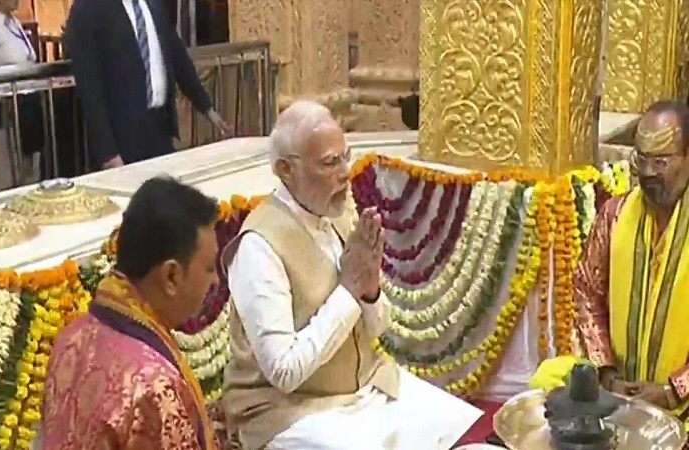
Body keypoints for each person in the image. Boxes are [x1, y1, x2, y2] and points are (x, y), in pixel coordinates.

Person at [220, 100, 483, 450]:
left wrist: (370, 291)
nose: (346, 172)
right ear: (286, 169)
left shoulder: (338, 214)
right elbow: (284, 372)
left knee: (459, 428)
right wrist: (349, 291)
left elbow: (377, 329)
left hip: (364, 387)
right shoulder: (259, 245)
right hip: (287, 410)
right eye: (330, 162)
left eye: (346, 156)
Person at [43, 176, 220, 449]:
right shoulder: (154, 385)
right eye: (209, 268)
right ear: (171, 276)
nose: (216, 281)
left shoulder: (72, 336)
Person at [575, 100, 689, 427]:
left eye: (661, 161)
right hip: (619, 397)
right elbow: (586, 292)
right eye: (642, 158)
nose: (648, 172)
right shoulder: (614, 216)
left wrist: (673, 390)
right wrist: (608, 374)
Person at [64, 0, 232, 170]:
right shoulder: (87, 9)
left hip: (160, 130)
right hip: (122, 140)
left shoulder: (153, 4)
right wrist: (107, 153)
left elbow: (177, 56)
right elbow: (90, 89)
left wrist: (207, 108)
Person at [0, 0, 43, 184]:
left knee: (33, 167)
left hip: (29, 102)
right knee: (13, 171)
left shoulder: (14, 23)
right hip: (5, 111)